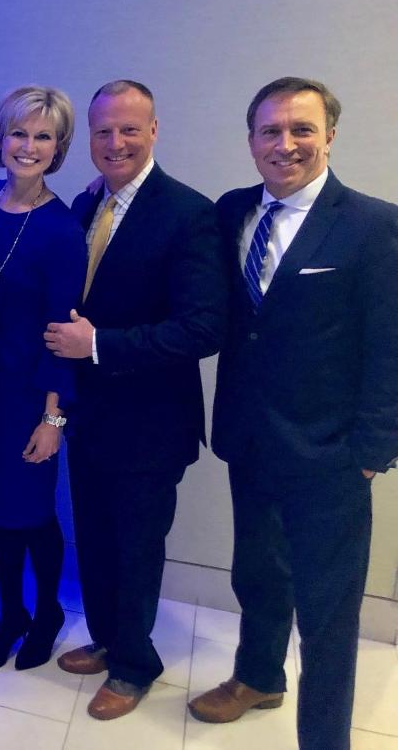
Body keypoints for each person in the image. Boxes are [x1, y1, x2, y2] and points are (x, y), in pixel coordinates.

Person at [188, 77, 398, 750]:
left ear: (329, 136)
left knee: (328, 616)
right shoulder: (232, 211)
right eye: (270, 131)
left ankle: (325, 739)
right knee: (258, 575)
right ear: (251, 141)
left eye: (302, 129)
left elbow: (390, 345)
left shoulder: (373, 225)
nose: (286, 144)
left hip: (331, 456)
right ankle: (258, 677)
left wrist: (371, 452)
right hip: (249, 442)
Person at [44, 80, 226, 720]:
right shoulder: (85, 203)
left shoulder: (189, 213)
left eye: (128, 129)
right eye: (103, 131)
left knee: (137, 549)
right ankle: (107, 639)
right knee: (94, 539)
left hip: (151, 425)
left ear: (154, 131)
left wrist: (99, 345)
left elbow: (203, 328)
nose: (115, 142)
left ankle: (134, 665)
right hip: (89, 418)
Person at [0, 86, 86, 673]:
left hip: (27, 395)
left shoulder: (61, 230)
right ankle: (11, 614)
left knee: (31, 512)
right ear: (0, 138)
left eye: (42, 137)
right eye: (19, 133)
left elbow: (63, 332)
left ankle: (48, 611)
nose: (28, 146)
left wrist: (53, 418)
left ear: (57, 148)